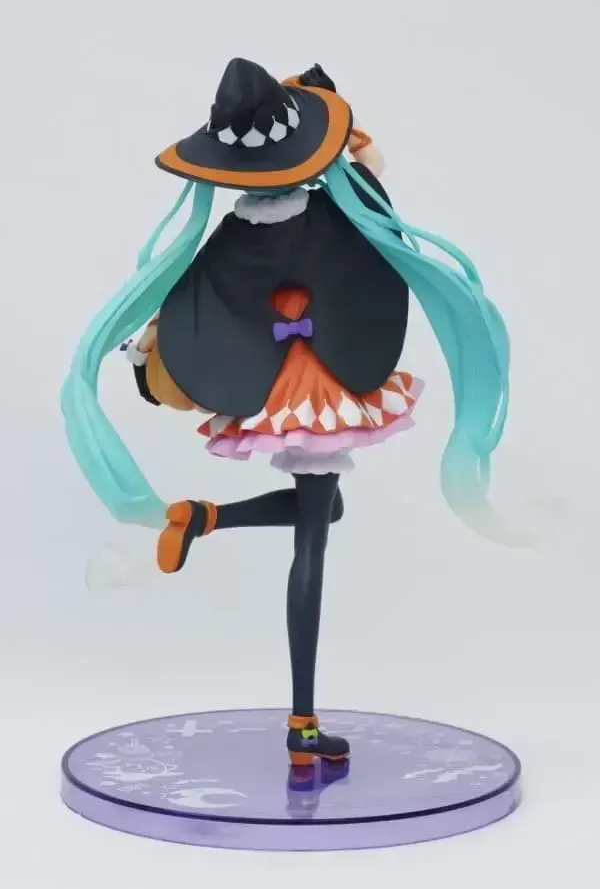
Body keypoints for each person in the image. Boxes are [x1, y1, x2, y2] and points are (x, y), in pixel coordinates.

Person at [61, 58, 512, 765]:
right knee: (313, 541)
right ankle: (302, 722)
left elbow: (189, 302)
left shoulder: (230, 234)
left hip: (271, 384)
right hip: (322, 383)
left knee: (324, 512)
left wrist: (158, 350)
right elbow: (373, 193)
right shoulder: (331, 213)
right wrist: (351, 143)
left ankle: (203, 518)